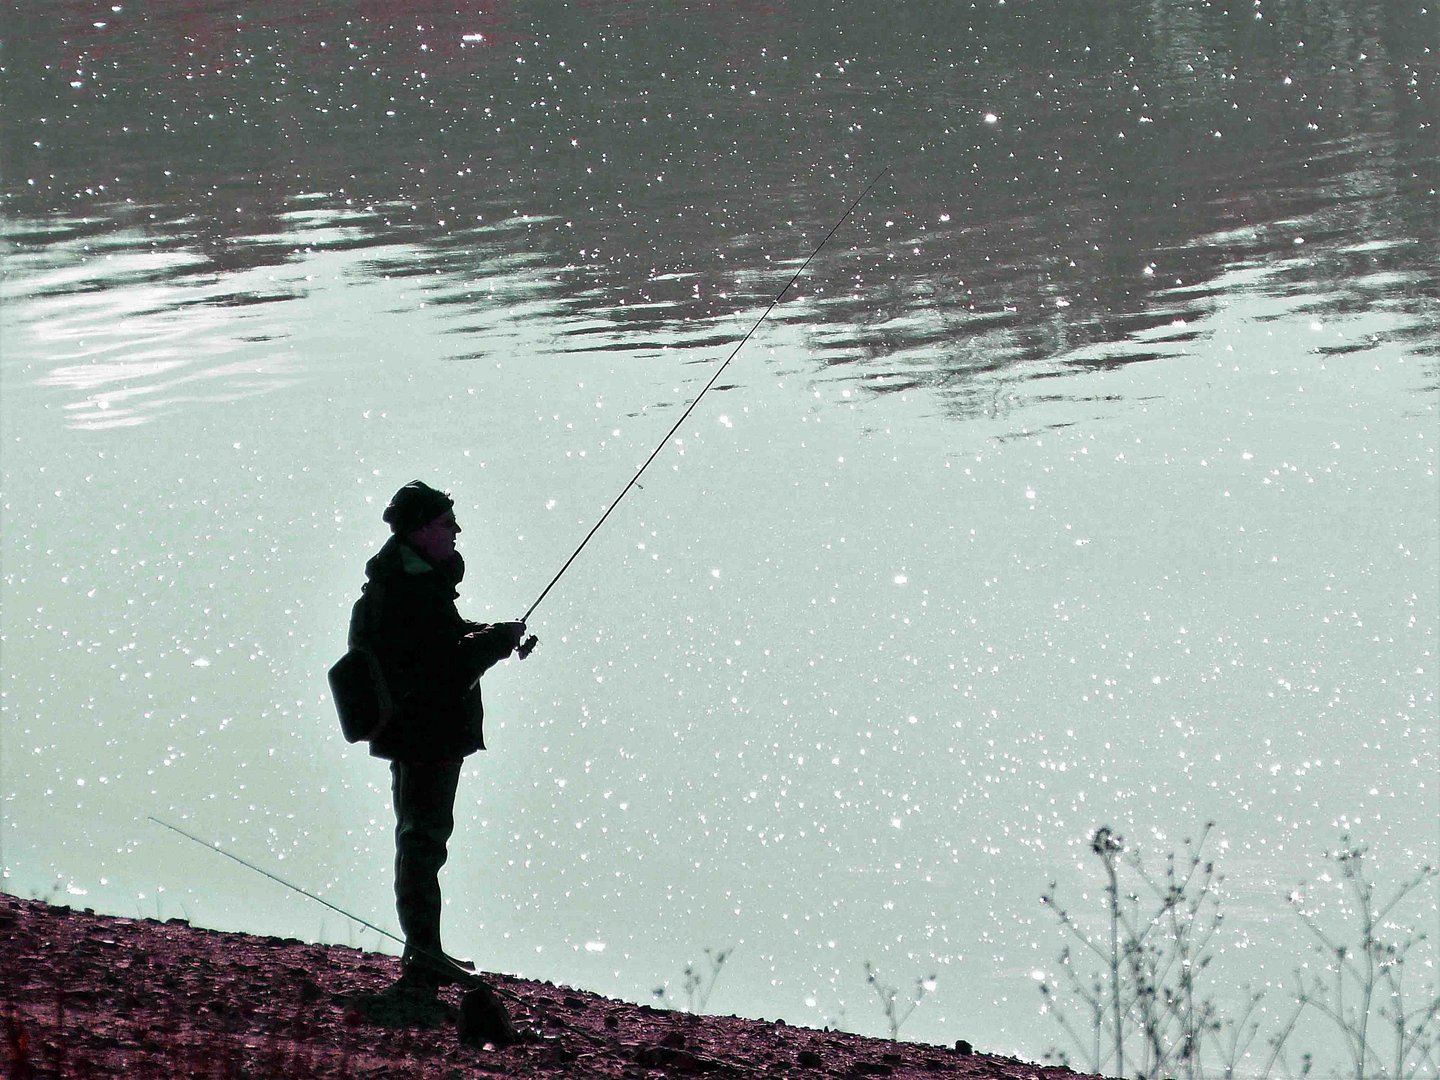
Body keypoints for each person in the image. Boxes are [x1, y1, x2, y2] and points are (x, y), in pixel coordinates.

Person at [349, 480, 526, 988]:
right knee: (424, 841)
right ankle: (424, 953)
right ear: (421, 529)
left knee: (419, 839)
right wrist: (494, 641)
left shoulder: (409, 580)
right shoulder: (410, 587)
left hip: (416, 733)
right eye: (448, 523)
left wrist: (494, 634)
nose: (457, 531)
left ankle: (424, 949)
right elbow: (444, 669)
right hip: (426, 735)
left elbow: (441, 639)